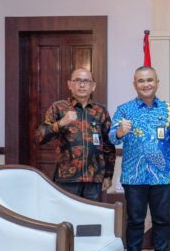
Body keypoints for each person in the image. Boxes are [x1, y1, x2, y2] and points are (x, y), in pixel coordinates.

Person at [109, 66, 170, 251]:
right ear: (134, 84)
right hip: (134, 177)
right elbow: (112, 137)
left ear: (157, 83)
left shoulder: (169, 110)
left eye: (150, 80)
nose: (146, 84)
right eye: (141, 81)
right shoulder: (124, 110)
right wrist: (120, 131)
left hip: (162, 176)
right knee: (135, 220)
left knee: (162, 220)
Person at [34, 68, 115, 201]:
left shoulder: (100, 110)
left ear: (93, 86)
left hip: (94, 179)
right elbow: (39, 137)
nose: (82, 85)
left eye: (86, 81)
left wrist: (108, 175)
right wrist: (61, 123)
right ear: (69, 84)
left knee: (92, 214)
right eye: (77, 80)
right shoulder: (58, 107)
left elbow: (108, 145)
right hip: (67, 178)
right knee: (66, 213)